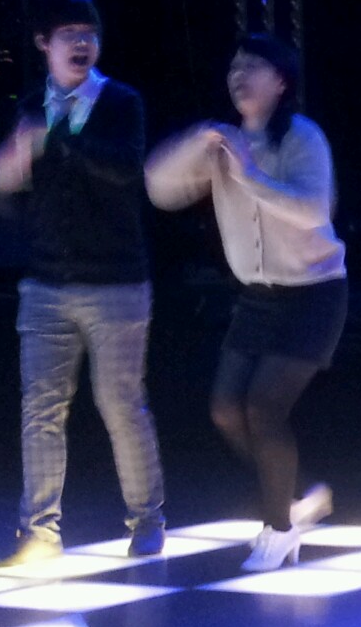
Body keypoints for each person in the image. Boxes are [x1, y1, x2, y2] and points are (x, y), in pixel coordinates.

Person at [146, 35, 348, 572]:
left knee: (263, 407)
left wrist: (249, 175)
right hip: (258, 297)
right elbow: (160, 189)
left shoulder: (302, 137)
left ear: (280, 81)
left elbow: (313, 210)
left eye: (253, 66)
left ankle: (279, 529)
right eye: (234, 67)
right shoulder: (224, 142)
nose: (239, 75)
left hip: (314, 294)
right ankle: (299, 495)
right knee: (225, 409)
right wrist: (198, 142)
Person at [0, 0, 163, 568]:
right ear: (44, 43)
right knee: (40, 409)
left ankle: (148, 520)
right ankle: (39, 534)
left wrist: (57, 138)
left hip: (116, 283)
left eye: (90, 34)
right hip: (45, 283)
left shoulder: (121, 101)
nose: (83, 43)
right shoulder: (29, 103)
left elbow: (124, 168)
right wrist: (8, 168)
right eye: (70, 35)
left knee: (121, 404)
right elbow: (11, 189)